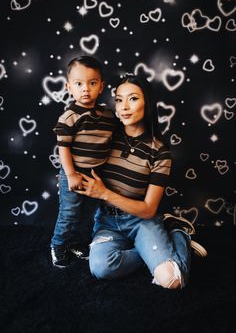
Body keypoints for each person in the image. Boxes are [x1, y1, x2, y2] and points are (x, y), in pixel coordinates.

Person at [77, 74, 207, 289]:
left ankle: (178, 234)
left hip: (141, 221)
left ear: (147, 103)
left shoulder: (159, 152)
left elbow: (147, 210)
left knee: (171, 281)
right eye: (119, 100)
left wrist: (104, 193)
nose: (124, 107)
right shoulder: (105, 138)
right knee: (101, 268)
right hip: (108, 222)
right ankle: (151, 251)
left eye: (133, 99)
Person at [50, 56, 116, 268]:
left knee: (88, 213)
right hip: (74, 173)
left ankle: (78, 243)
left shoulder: (107, 115)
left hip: (96, 175)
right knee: (69, 213)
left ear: (101, 86)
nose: (85, 89)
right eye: (79, 84)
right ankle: (58, 245)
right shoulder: (69, 117)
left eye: (92, 83)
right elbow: (64, 148)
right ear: (69, 87)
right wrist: (70, 174)